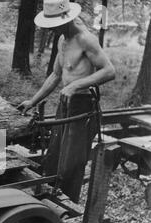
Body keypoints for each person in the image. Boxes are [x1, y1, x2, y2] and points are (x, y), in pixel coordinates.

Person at [19, 0, 115, 203]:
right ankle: (48, 199)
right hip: (66, 105)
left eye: (53, 24)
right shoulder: (62, 38)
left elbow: (109, 71)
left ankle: (67, 207)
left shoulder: (85, 38)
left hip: (83, 106)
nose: (51, 29)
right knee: (55, 154)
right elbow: (55, 75)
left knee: (72, 162)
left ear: (65, 18)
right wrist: (32, 101)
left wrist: (75, 85)